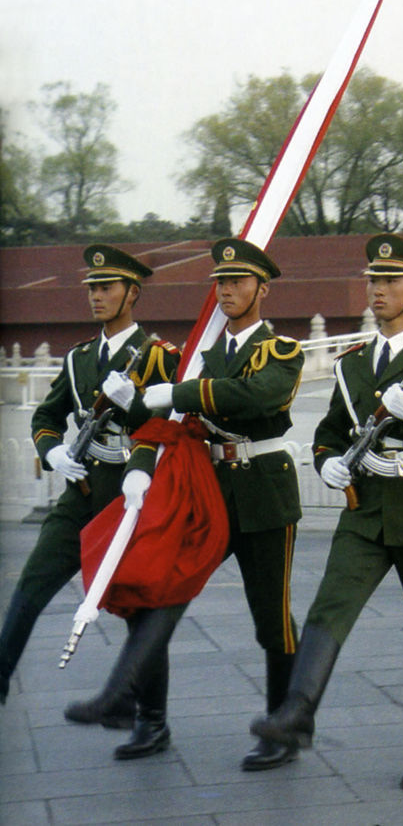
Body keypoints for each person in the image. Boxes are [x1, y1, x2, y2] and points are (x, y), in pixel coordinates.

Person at [251, 235, 403, 788]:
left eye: (390, 282)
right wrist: (328, 460)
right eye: (373, 281)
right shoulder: (353, 365)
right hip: (365, 510)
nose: (378, 291)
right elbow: (330, 430)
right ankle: (299, 711)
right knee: (329, 605)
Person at [88, 238, 304, 765]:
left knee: (270, 618)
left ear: (262, 288)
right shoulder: (199, 356)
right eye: (221, 284)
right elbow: (164, 423)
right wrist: (135, 413)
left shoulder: (280, 350)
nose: (227, 291)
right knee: (160, 594)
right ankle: (149, 720)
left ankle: (283, 728)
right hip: (207, 488)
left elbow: (254, 396)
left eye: (237, 282)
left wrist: (177, 393)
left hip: (262, 489)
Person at [0, 246, 177, 712]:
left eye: (107, 288)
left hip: (129, 499)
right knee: (29, 590)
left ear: (132, 293)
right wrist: (52, 450)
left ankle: (151, 720)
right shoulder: (80, 359)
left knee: (138, 611)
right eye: (93, 288)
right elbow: (47, 414)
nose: (96, 296)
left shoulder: (158, 357)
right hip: (78, 495)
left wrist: (134, 404)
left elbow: (173, 424)